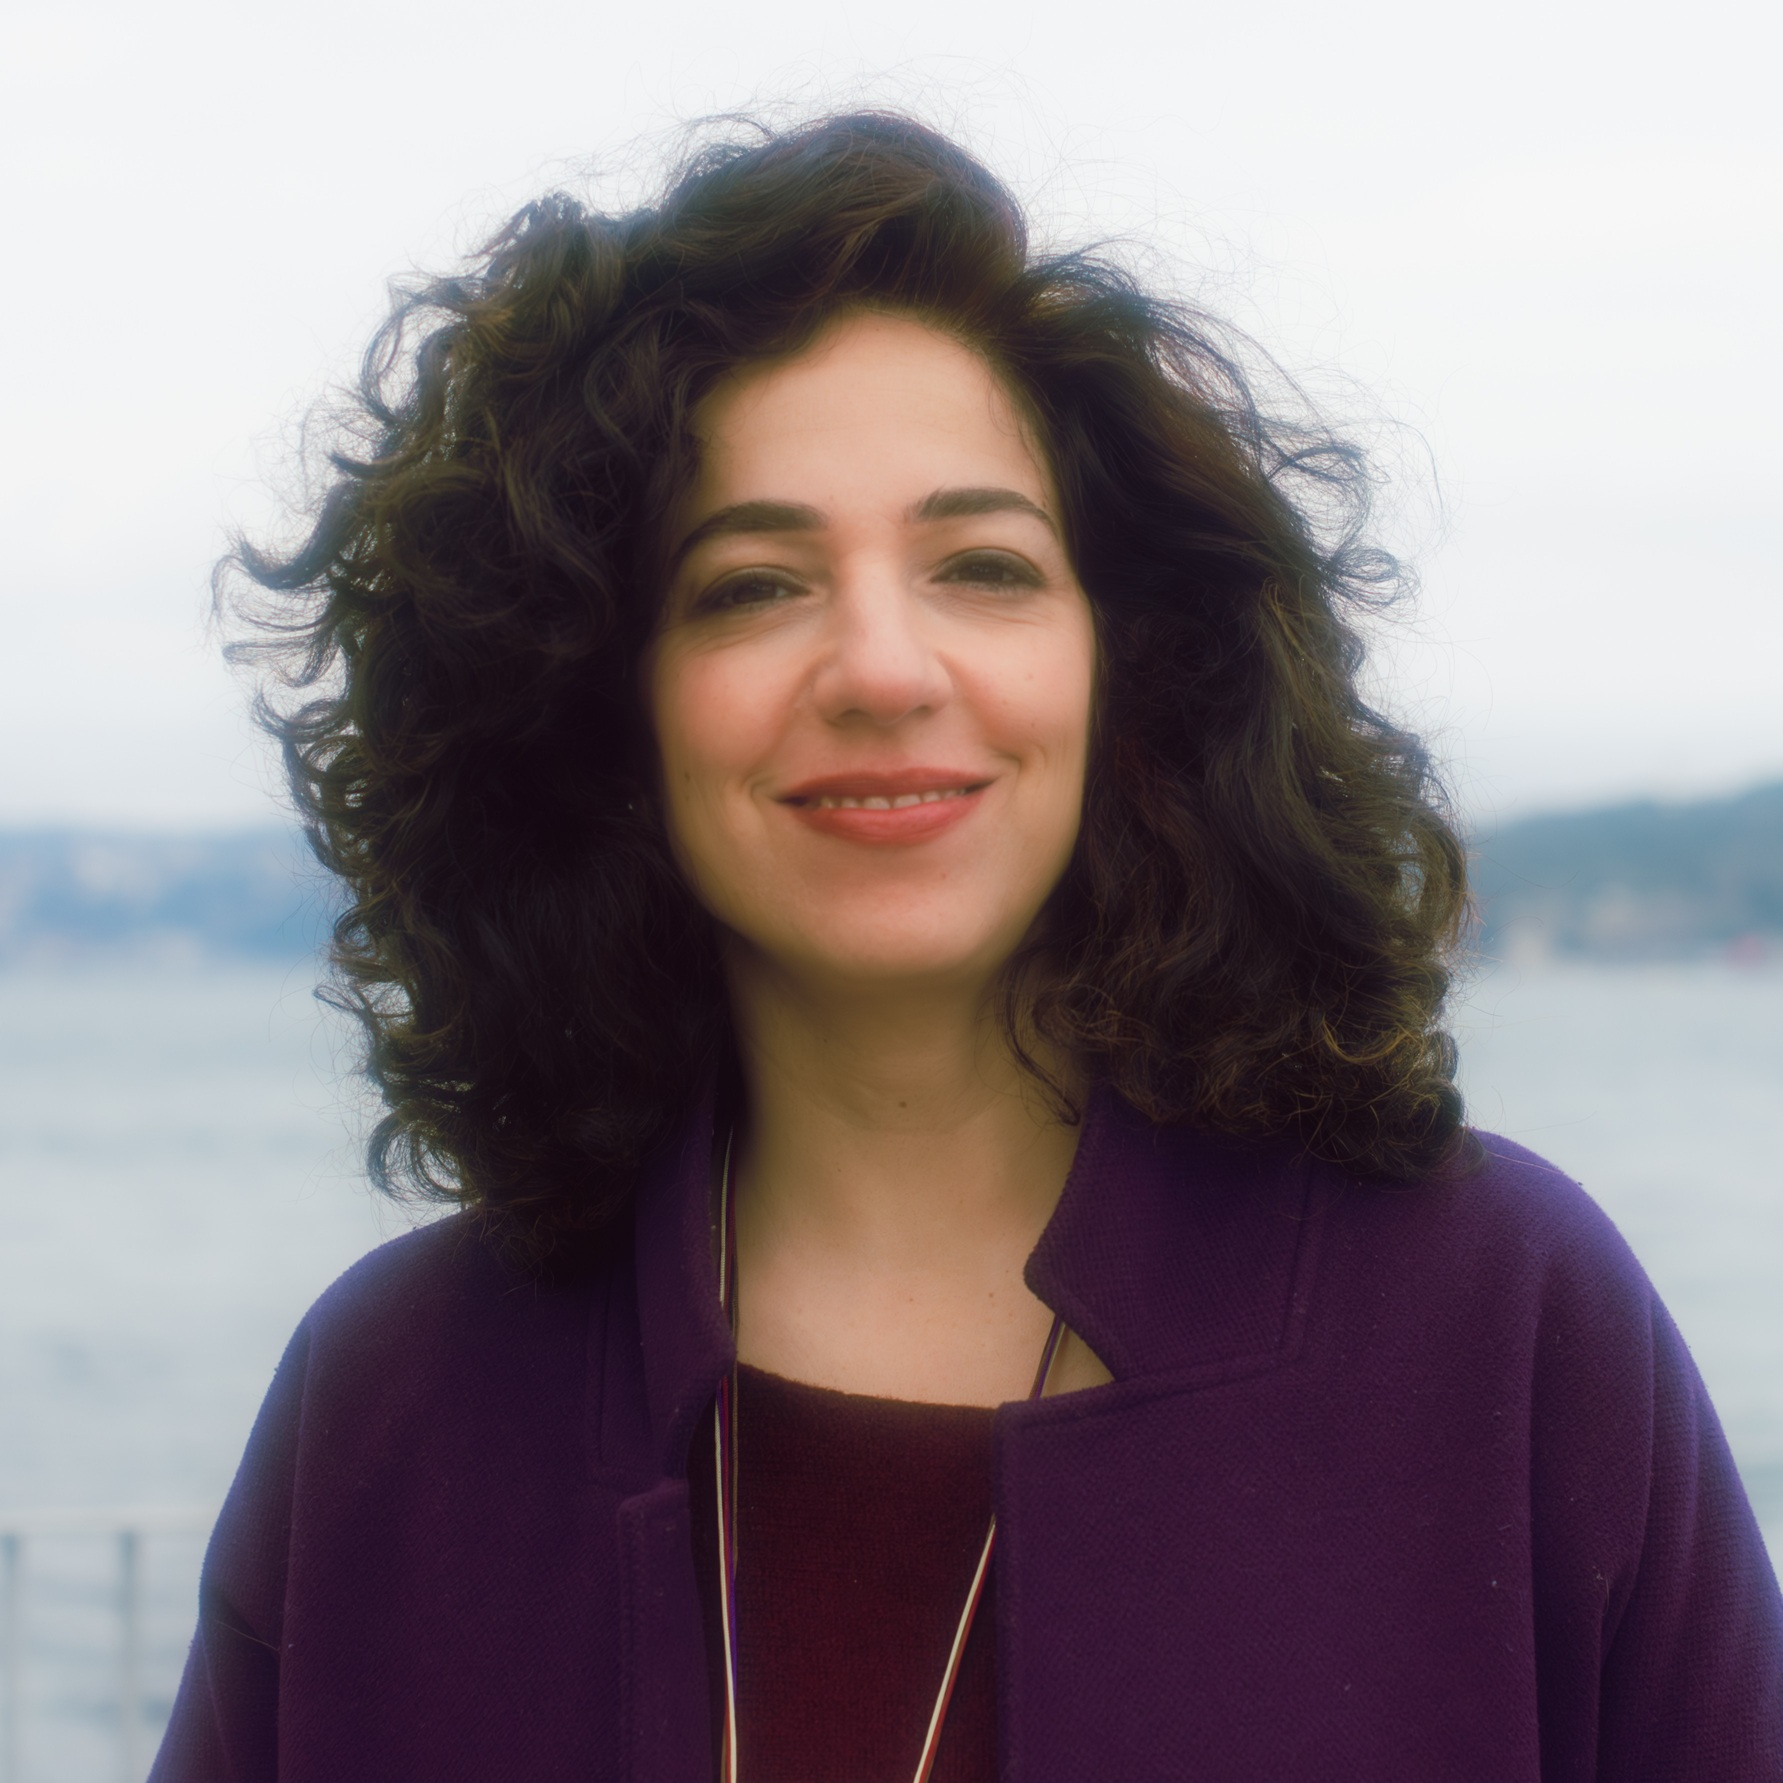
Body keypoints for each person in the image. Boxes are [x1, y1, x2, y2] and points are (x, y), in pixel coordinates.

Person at [153, 113, 1781, 1781]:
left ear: (1129, 669)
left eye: (983, 565)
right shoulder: (394, 1401)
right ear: (596, 704)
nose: (880, 666)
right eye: (750, 585)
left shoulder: (1500, 1324)